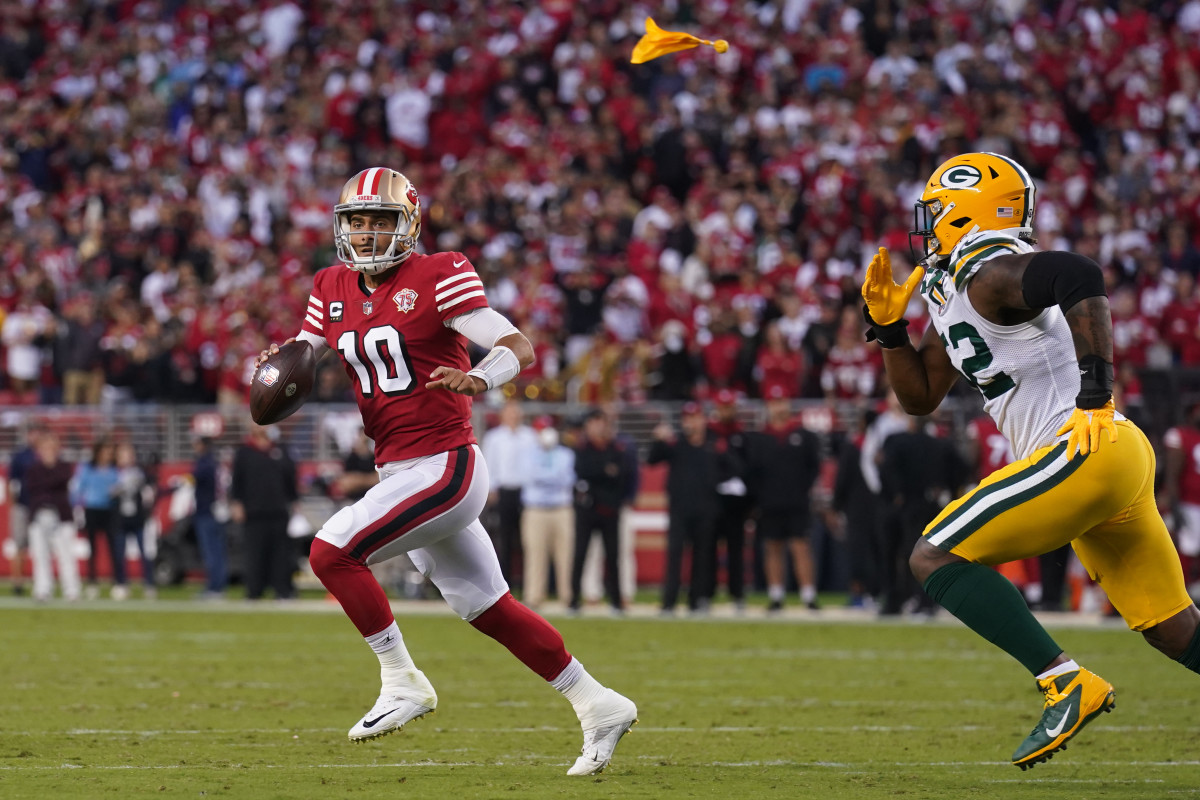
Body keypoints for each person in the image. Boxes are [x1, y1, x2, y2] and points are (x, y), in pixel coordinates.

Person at [256, 168, 636, 776]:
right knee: (489, 608)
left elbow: (517, 346)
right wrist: (276, 368)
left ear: (408, 224)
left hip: (446, 465)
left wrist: (480, 377)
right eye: (357, 220)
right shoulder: (331, 284)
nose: (366, 232)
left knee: (331, 552)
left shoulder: (438, 273)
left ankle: (401, 679)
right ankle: (598, 703)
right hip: (397, 470)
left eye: (380, 220)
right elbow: (304, 353)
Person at [861, 152, 1200, 770]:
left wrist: (1095, 394)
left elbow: (1078, 273)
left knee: (934, 555)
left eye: (936, 213)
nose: (927, 227)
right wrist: (888, 332)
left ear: (967, 211)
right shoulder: (957, 286)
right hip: (1108, 456)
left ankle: (1064, 682)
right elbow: (921, 396)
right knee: (1173, 629)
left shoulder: (987, 267)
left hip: (1082, 444)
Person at [744, 386, 822, 612]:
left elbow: (813, 467)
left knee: (801, 546)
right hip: (769, 502)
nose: (778, 407)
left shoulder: (803, 435)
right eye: (774, 402)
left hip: (797, 501)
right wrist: (757, 499)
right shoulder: (759, 437)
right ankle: (776, 595)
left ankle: (808, 595)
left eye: (782, 401)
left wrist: (802, 489)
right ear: (767, 406)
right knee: (772, 547)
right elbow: (752, 471)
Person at [647, 401, 722, 614]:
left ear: (703, 419)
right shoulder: (676, 443)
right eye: (687, 418)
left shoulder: (714, 443)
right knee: (675, 555)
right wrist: (658, 440)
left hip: (706, 509)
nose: (691, 423)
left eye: (695, 417)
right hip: (680, 509)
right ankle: (669, 601)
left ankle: (697, 600)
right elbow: (652, 460)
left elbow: (729, 469)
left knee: (702, 556)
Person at [569, 409, 630, 615]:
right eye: (594, 422)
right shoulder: (582, 448)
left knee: (613, 556)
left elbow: (622, 475)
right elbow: (582, 471)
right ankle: (574, 600)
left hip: (609, 509)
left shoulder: (616, 448)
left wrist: (601, 473)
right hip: (587, 509)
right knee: (580, 554)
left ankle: (616, 601)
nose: (598, 427)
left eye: (600, 422)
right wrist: (605, 470)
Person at [230, 424, 297, 601]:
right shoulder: (244, 452)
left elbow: (290, 477)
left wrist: (294, 500)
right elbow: (237, 480)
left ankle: (283, 590)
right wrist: (237, 503)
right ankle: (254, 590)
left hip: (278, 510)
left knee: (281, 554)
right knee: (254, 553)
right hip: (254, 511)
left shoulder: (280, 449)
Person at [519, 416, 575, 608]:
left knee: (565, 555)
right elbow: (531, 476)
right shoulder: (528, 454)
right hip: (536, 510)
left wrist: (545, 477)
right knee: (535, 554)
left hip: (561, 509)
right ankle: (533, 596)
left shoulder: (566, 454)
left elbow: (566, 479)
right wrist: (552, 477)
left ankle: (568, 597)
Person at [480, 400, 536, 585]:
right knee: (504, 538)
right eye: (510, 412)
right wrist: (491, 489)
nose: (513, 416)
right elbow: (489, 463)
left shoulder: (529, 436)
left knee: (527, 538)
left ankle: (527, 583)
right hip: (504, 491)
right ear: (502, 415)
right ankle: (505, 582)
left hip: (526, 492)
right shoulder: (494, 438)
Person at [24, 432, 81, 601]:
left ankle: (71, 590)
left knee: (66, 554)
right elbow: (32, 489)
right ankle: (42, 589)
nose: (48, 451)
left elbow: (59, 483)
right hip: (39, 515)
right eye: (45, 448)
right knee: (40, 555)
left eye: (51, 448)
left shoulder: (64, 467)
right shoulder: (33, 469)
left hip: (61, 516)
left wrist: (48, 489)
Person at [707, 389, 749, 609]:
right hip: (712, 499)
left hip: (735, 502)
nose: (725, 411)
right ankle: (706, 592)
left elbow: (748, 468)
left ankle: (737, 594)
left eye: (729, 406)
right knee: (708, 547)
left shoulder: (741, 434)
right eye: (722, 407)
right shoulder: (709, 433)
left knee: (736, 549)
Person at [72, 439, 121, 599]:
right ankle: (92, 582)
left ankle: (117, 582)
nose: (108, 454)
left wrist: (116, 491)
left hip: (109, 510)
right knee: (92, 548)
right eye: (106, 451)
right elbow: (78, 488)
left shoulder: (113, 469)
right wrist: (78, 507)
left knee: (113, 547)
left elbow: (119, 486)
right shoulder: (87, 468)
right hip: (92, 509)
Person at [1164, 403, 1200, 600]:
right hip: (1188, 503)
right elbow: (1172, 473)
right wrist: (1175, 505)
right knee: (1186, 548)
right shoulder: (1180, 435)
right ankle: (1180, 596)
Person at [112, 441, 157, 600]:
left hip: (137, 518)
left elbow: (150, 490)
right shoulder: (114, 473)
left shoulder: (140, 473)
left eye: (129, 454)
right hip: (120, 519)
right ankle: (121, 583)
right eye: (123, 454)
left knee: (145, 552)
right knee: (119, 553)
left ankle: (149, 584)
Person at [7, 424, 43, 596]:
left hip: (40, 507)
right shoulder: (20, 456)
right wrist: (14, 504)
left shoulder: (43, 455)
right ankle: (17, 582)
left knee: (40, 546)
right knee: (20, 545)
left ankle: (41, 582)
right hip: (22, 505)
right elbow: (11, 482)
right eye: (32, 433)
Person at [191, 435, 227, 599]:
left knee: (211, 552)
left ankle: (214, 587)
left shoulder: (205, 463)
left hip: (207, 512)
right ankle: (218, 586)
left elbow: (195, 477)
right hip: (216, 511)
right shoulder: (215, 463)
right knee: (217, 551)